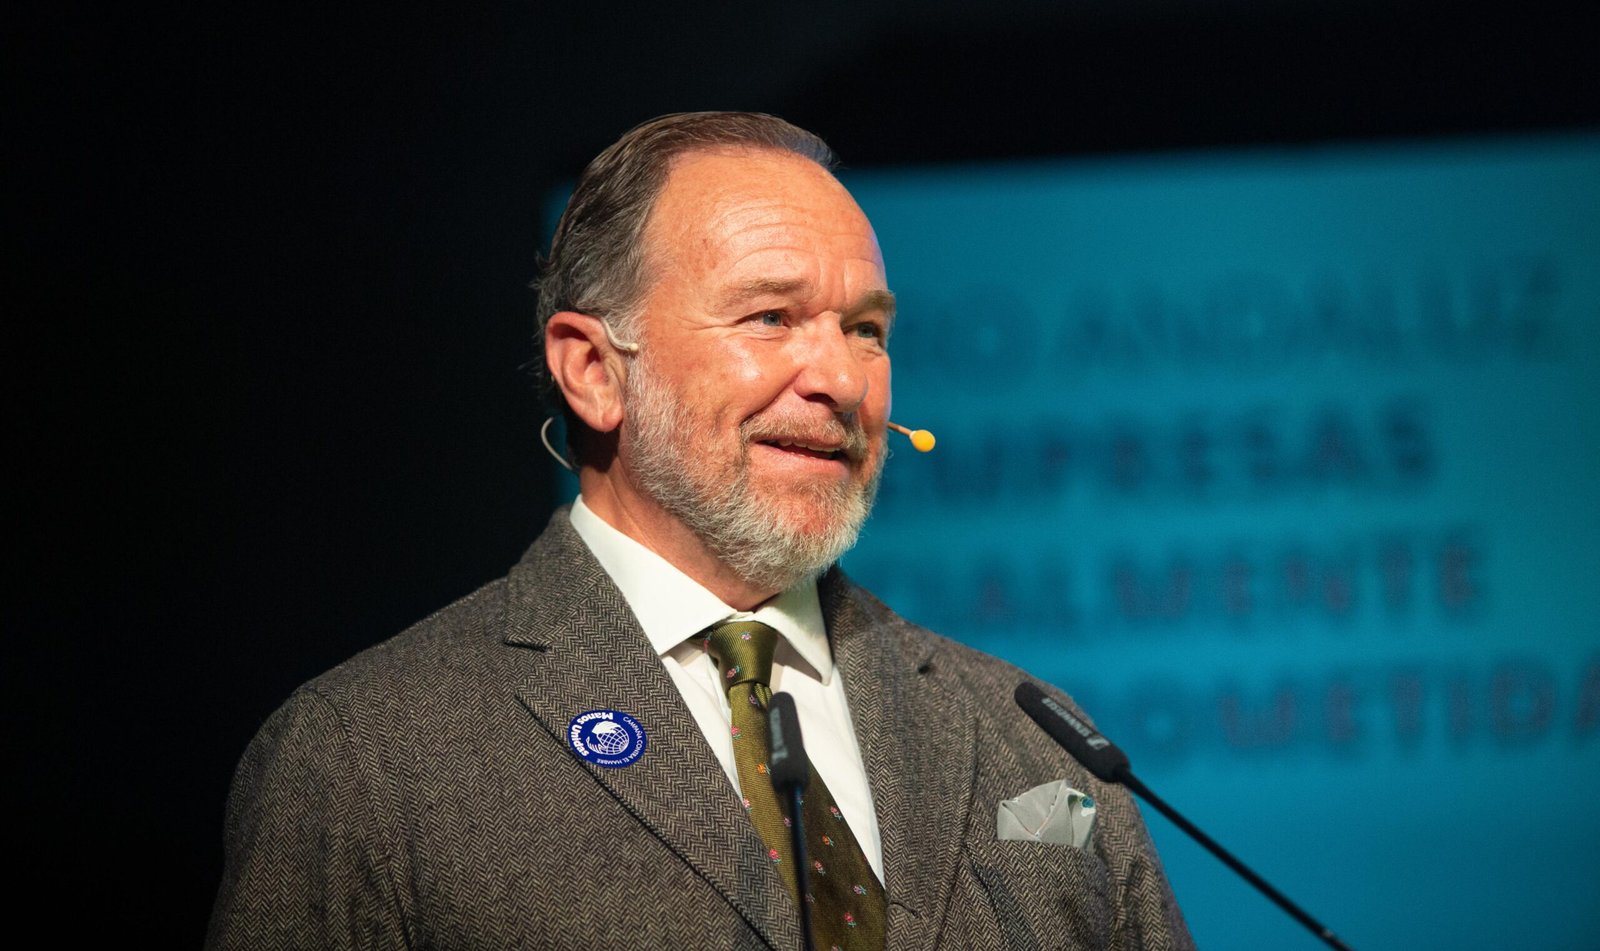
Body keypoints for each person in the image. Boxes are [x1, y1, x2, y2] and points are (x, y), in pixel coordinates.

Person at [207, 112, 1194, 950]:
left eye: (866, 330)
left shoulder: (1037, 748)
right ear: (594, 370)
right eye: (769, 317)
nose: (841, 381)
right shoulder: (369, 757)